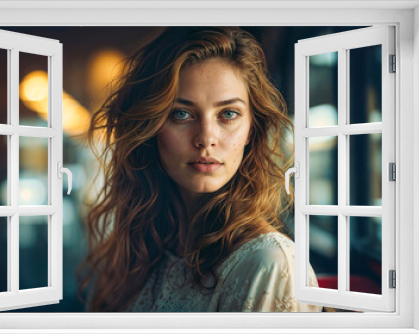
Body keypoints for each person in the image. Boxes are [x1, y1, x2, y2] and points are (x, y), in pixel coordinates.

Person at [78, 26, 322, 312]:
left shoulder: (268, 264)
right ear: (150, 128)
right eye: (181, 114)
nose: (206, 138)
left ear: (251, 131)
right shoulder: (139, 250)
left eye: (228, 114)